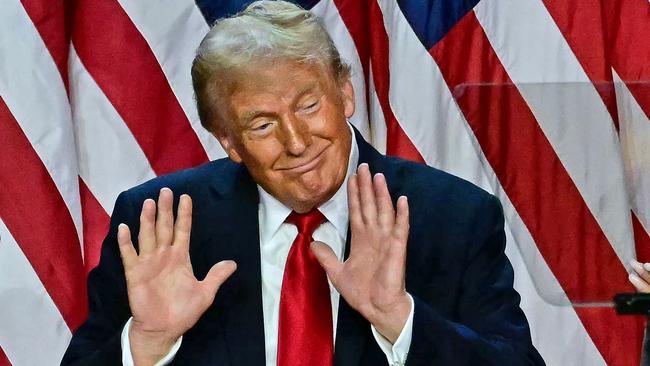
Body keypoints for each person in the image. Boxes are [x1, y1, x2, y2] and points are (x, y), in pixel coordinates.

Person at [62, 1, 544, 365]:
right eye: (263, 125)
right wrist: (148, 341)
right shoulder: (161, 222)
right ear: (227, 140)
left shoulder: (451, 216)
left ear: (345, 92)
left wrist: (400, 319)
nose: (297, 142)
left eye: (309, 106)